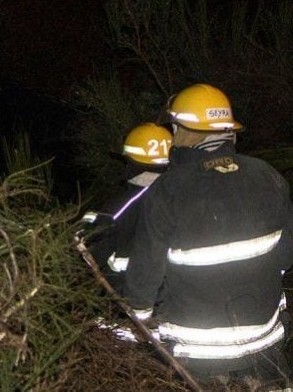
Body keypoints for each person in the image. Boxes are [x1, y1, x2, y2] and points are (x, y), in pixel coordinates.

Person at [122, 83, 293, 384]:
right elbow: (286, 255)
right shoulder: (268, 175)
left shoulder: (167, 190)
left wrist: (138, 314)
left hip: (198, 351)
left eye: (175, 128)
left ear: (188, 132)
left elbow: (145, 273)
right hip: (265, 339)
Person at [80, 122, 172, 292]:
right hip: (181, 300)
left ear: (130, 162)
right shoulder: (186, 195)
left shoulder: (122, 207)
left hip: (128, 302)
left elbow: (85, 260)